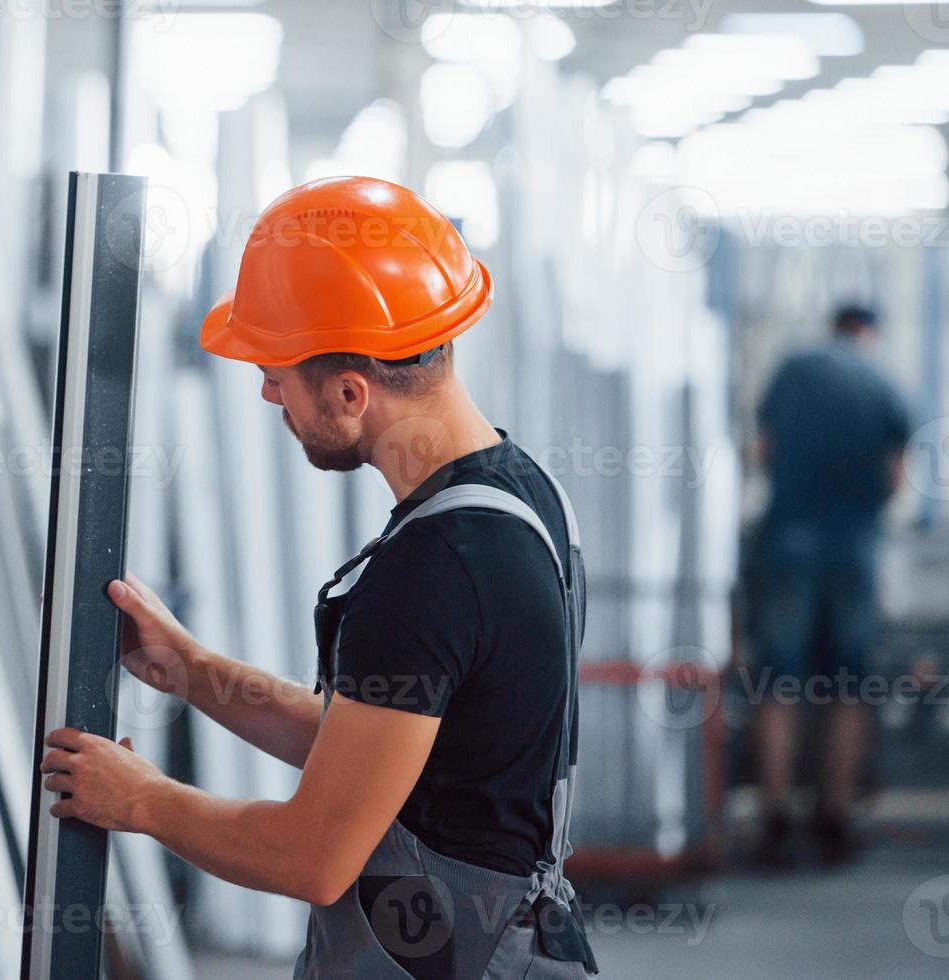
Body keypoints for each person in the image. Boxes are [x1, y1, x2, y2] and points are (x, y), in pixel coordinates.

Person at [38, 177, 597, 978]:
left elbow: (315, 854)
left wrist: (141, 800)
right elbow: (375, 756)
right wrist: (192, 671)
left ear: (348, 391)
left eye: (278, 372)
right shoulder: (523, 497)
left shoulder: (435, 570)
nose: (266, 392)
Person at [749, 304, 911, 866]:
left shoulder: (793, 371)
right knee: (847, 684)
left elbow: (763, 449)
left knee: (779, 679)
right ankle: (836, 819)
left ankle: (774, 818)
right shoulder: (884, 383)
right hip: (854, 548)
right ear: (869, 333)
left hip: (788, 540)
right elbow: (897, 474)